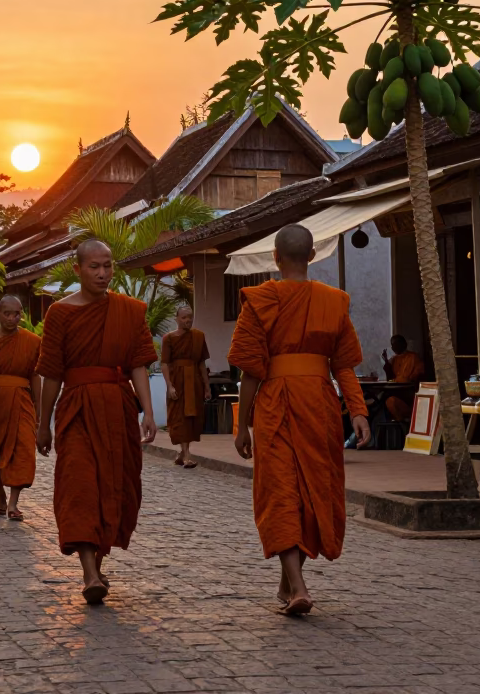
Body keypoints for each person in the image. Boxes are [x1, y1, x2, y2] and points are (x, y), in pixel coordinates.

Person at [230, 223, 371, 617]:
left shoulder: (260, 300)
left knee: (281, 491)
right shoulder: (334, 301)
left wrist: (243, 425)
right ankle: (293, 583)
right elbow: (344, 366)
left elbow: (251, 370)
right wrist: (358, 411)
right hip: (320, 405)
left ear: (275, 257)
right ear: (311, 257)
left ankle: (297, 586)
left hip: (274, 402)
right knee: (311, 490)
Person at [36, 239, 157, 605]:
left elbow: (138, 363)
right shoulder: (59, 313)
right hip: (75, 408)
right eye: (94, 267)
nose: (103, 273)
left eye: (108, 266)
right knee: (80, 484)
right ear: (78, 269)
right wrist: (44, 424)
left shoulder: (130, 311)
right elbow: (52, 374)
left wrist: (148, 412)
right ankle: (89, 572)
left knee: (112, 485)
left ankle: (97, 565)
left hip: (118, 407)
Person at [0, 294, 42, 520]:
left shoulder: (32, 341)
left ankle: (13, 503)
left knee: (23, 450)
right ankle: (1, 495)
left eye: (17, 314)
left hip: (22, 401)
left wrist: (39, 409)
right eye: (7, 314)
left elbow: (35, 377)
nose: (12, 318)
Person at [160, 305, 210, 468]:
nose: (187, 320)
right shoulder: (169, 338)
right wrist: (170, 386)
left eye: (190, 317)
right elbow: (165, 364)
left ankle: (183, 453)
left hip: (194, 381)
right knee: (179, 418)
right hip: (177, 381)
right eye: (184, 317)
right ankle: (187, 455)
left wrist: (206, 386)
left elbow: (202, 363)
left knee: (192, 419)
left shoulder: (199, 337)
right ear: (177, 319)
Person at [382, 334, 425, 422]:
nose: (393, 347)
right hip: (396, 390)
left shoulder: (413, 357)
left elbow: (417, 376)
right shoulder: (394, 359)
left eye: (396, 344)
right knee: (384, 398)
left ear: (403, 344)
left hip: (408, 393)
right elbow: (390, 377)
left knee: (388, 399)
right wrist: (386, 361)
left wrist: (408, 380)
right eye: (392, 345)